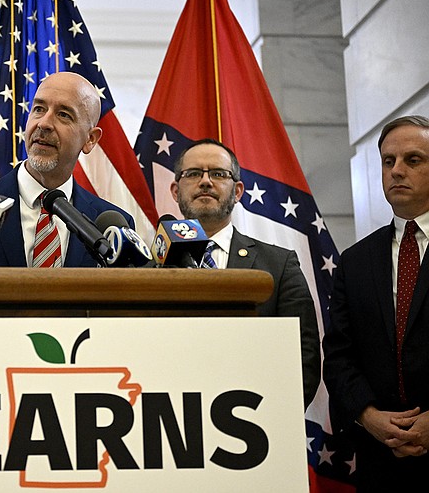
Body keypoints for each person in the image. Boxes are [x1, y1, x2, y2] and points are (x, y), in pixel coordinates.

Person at [0, 71, 134, 267]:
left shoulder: (112, 229)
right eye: (39, 109)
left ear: (90, 139)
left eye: (64, 115)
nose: (44, 124)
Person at [169, 139, 321, 408]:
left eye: (218, 174)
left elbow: (303, 356)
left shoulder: (279, 264)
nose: (205, 182)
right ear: (175, 190)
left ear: (238, 191)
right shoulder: (151, 266)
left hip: (258, 423)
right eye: (193, 174)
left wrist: (274, 416)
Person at [323, 115, 429, 490]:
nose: (397, 171)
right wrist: (368, 416)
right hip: (380, 458)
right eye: (388, 161)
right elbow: (338, 356)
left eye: (413, 160)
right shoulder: (354, 262)